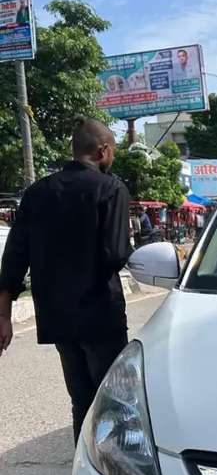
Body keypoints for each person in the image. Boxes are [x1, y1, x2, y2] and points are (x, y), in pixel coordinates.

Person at [0, 118, 132, 443]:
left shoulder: (37, 193)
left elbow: (14, 258)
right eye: (112, 151)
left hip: (58, 319)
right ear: (102, 150)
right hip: (101, 317)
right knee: (115, 404)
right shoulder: (111, 189)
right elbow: (116, 254)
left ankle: (83, 462)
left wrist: (4, 316)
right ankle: (114, 469)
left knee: (81, 401)